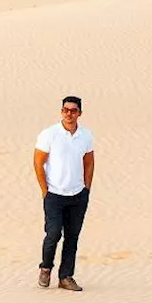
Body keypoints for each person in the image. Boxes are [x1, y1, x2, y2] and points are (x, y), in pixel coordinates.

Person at [32, 96, 95, 291]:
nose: (69, 114)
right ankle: (45, 267)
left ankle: (66, 276)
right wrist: (45, 190)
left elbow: (89, 162)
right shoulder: (49, 134)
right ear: (61, 111)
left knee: (72, 236)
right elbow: (38, 162)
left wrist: (86, 189)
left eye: (73, 110)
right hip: (54, 195)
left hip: (78, 195)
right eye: (66, 110)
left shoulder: (85, 135)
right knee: (53, 234)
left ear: (79, 113)